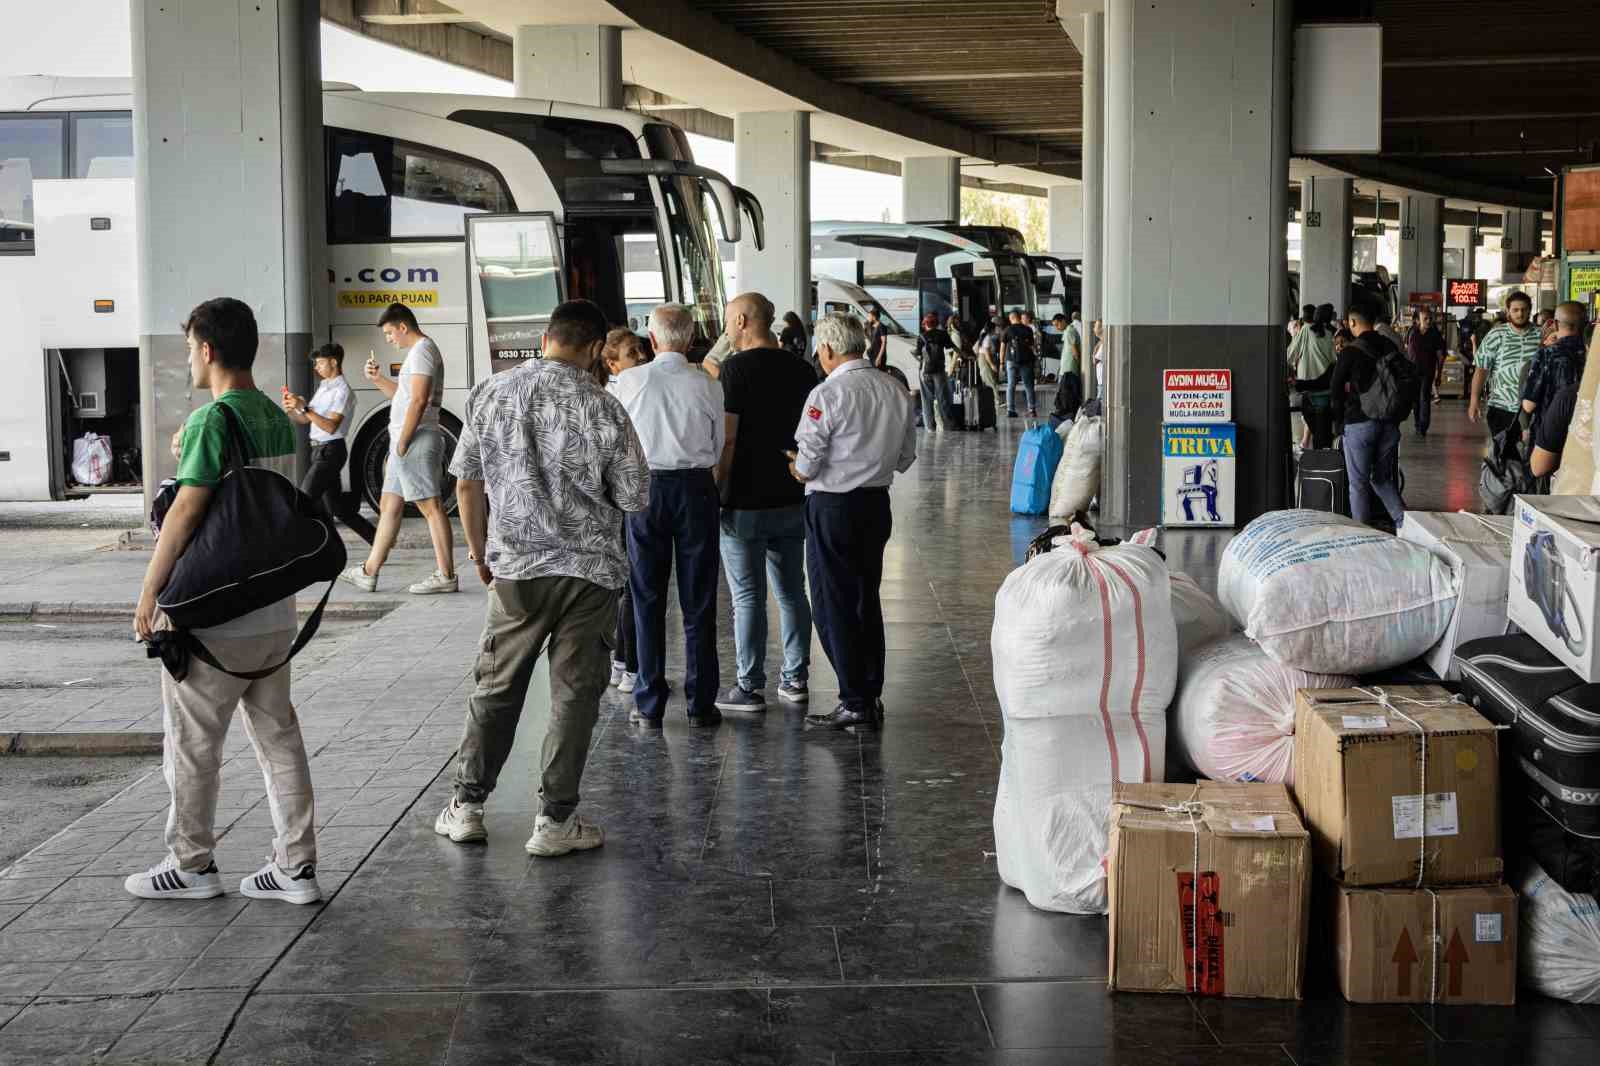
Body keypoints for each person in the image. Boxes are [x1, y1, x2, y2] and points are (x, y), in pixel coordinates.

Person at [434, 300, 650, 854]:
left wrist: (480, 554)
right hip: (589, 573)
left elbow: (465, 483)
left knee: (497, 687)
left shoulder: (492, 392)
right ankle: (555, 822)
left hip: (516, 570)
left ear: (547, 336)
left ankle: (467, 806)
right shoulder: (604, 406)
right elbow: (633, 495)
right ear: (597, 348)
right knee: (575, 695)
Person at [127, 297, 320, 905]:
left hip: (213, 616)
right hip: (272, 613)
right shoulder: (272, 414)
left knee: (192, 743)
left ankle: (191, 863)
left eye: (189, 347)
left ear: (207, 350)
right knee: (279, 738)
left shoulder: (215, 421)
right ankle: (296, 867)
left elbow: (187, 513)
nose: (187, 357)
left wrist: (150, 591)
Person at [786, 312, 917, 731]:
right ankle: (869, 692)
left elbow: (807, 465)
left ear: (826, 350)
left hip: (832, 507)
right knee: (865, 598)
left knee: (831, 602)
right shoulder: (895, 389)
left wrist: (798, 469)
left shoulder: (826, 394)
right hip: (875, 506)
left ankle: (854, 698)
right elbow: (904, 458)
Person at [611, 304, 727, 727]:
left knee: (645, 595)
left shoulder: (628, 381)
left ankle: (649, 701)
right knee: (700, 600)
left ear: (652, 339)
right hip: (696, 489)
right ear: (691, 337)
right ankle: (700, 703)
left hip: (645, 490)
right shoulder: (706, 384)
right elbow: (717, 449)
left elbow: (617, 443)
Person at [712, 293, 819, 713]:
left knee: (748, 597)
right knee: (793, 592)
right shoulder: (802, 368)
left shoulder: (733, 370)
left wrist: (717, 488)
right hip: (792, 494)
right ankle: (795, 679)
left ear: (741, 319)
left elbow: (729, 436)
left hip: (744, 500)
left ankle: (749, 686)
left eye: (727, 322)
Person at [337, 303, 457, 595]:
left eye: (390, 333)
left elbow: (418, 401)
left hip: (415, 439)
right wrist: (377, 379)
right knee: (390, 507)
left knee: (431, 507)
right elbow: (404, 397)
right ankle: (369, 571)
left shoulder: (422, 352)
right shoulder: (418, 354)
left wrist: (402, 441)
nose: (389, 339)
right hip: (407, 439)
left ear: (403, 327)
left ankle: (446, 575)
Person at [282, 342, 377, 544]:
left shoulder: (342, 390)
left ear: (333, 362)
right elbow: (305, 420)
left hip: (331, 451)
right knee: (338, 509)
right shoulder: (324, 387)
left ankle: (296, 548)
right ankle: (379, 540)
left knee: (304, 499)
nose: (316, 367)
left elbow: (331, 426)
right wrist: (293, 409)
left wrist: (305, 408)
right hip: (318, 450)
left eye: (320, 363)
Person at [601, 328, 652, 694]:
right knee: (633, 588)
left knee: (629, 587)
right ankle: (631, 665)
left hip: (623, 497)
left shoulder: (627, 388)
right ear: (611, 362)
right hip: (621, 501)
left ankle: (622, 661)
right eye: (633, 353)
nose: (642, 358)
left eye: (642, 350)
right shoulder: (618, 393)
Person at [1332, 296, 1406, 529]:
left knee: (1359, 484)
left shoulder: (1351, 351)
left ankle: (1362, 534)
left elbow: (1335, 387)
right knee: (1381, 478)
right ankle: (1405, 524)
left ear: (1352, 323)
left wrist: (1338, 424)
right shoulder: (1390, 345)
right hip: (1390, 423)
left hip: (1359, 424)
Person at [1469, 290, 1541, 443]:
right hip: (1501, 408)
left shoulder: (1540, 335)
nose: (1520, 314)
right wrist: (1474, 400)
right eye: (1515, 310)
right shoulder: (1496, 335)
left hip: (1532, 409)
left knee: (1529, 458)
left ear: (1530, 310)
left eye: (1523, 309)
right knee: (1503, 455)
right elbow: (1481, 369)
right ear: (1508, 311)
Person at [1522, 301, 1590, 440]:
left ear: (1556, 324)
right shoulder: (1592, 354)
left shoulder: (1546, 354)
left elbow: (1529, 405)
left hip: (1550, 434)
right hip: (1586, 434)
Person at [1288, 304, 1337, 449]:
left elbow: (1291, 353)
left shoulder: (1307, 330)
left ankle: (1311, 450)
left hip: (1308, 387)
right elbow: (1334, 359)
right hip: (1326, 389)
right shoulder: (1331, 333)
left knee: (1313, 424)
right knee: (1323, 433)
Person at [1405, 307, 1446, 439]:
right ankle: (1418, 424)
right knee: (1415, 400)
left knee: (1424, 397)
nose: (1429, 321)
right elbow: (1407, 351)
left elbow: (1440, 356)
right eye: (1425, 319)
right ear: (1417, 320)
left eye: (1430, 318)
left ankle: (1423, 426)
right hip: (1413, 372)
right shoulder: (1412, 332)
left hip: (1427, 372)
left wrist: (1439, 374)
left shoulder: (1435, 334)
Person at [917, 312, 956, 431]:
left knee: (926, 399)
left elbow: (919, 354)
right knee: (942, 398)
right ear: (936, 323)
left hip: (926, 371)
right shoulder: (942, 334)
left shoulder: (921, 336)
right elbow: (951, 348)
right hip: (939, 370)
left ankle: (930, 426)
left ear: (925, 324)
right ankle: (948, 425)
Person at [1000, 310, 1038, 418]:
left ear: (1010, 318)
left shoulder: (1007, 330)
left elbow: (1002, 348)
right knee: (1029, 386)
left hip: (1011, 361)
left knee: (1011, 385)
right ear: (1019, 318)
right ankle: (1031, 409)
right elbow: (1032, 347)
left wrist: (1001, 363)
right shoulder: (1028, 329)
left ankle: (1010, 410)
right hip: (1026, 361)